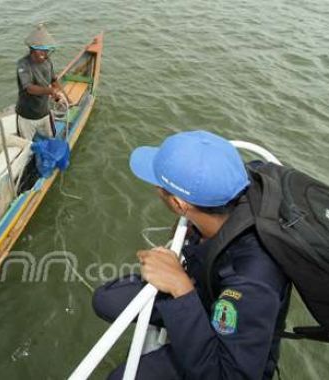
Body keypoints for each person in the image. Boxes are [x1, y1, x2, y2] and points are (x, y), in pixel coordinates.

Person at [92, 131, 290, 379]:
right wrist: (194, 229)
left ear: (179, 204)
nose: (156, 188)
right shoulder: (232, 194)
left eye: (159, 186)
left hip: (224, 350)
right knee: (105, 299)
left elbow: (228, 375)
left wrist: (181, 288)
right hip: (205, 291)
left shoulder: (254, 278)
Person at [16, 24, 65, 140]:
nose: (45, 54)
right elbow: (29, 88)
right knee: (27, 147)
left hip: (44, 112)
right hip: (26, 115)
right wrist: (50, 91)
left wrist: (60, 94)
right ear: (32, 50)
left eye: (47, 51)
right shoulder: (23, 64)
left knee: (52, 138)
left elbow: (54, 81)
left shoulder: (48, 62)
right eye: (42, 51)